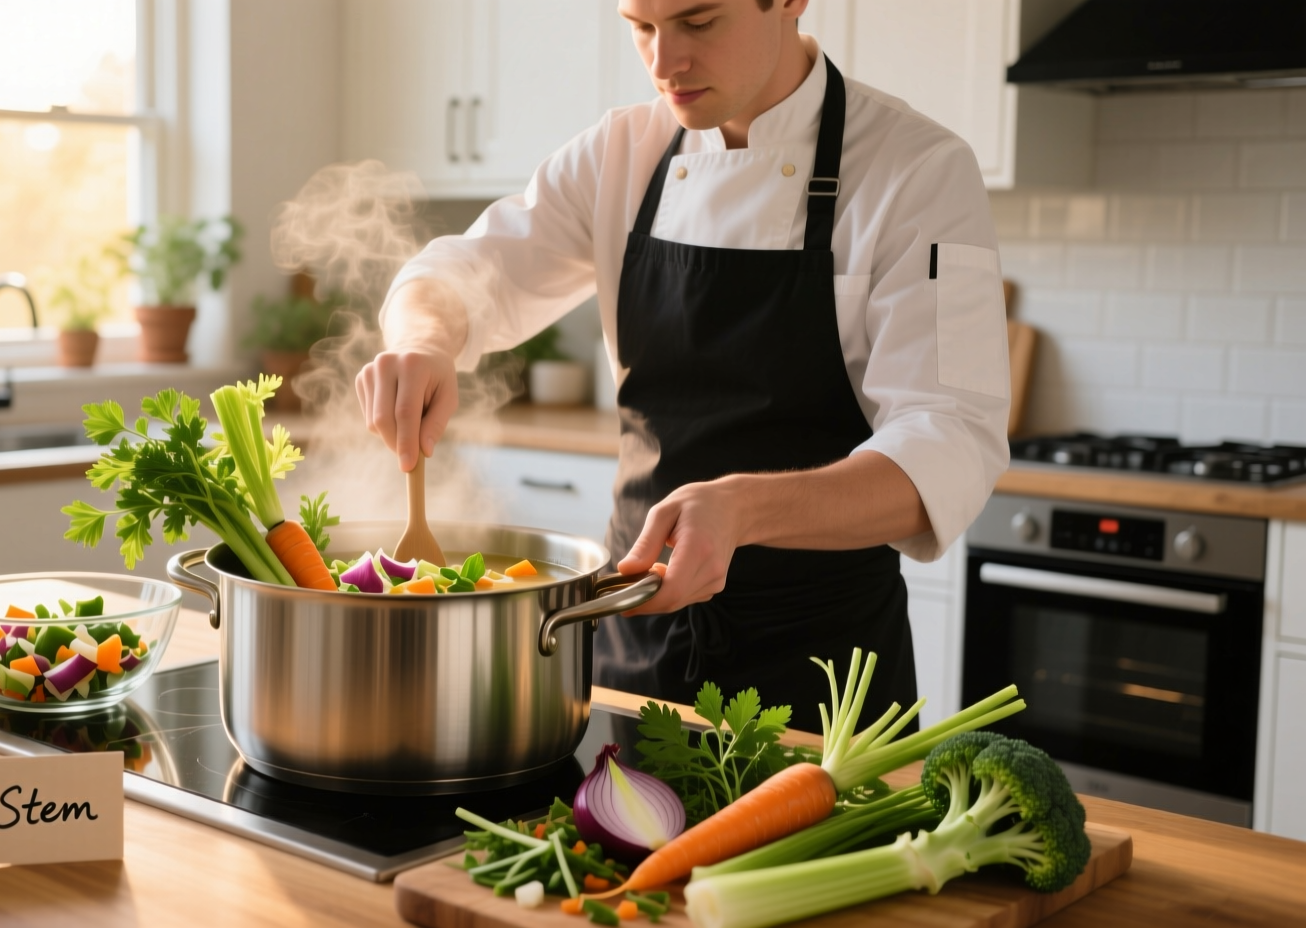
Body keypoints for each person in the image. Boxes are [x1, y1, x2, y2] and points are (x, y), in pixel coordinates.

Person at [355, 0, 1009, 732]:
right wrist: (422, 341)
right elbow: (460, 272)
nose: (664, 62)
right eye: (640, 26)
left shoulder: (917, 170)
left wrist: (742, 511)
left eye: (698, 22)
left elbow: (951, 445)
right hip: (628, 649)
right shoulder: (621, 155)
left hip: (822, 680)